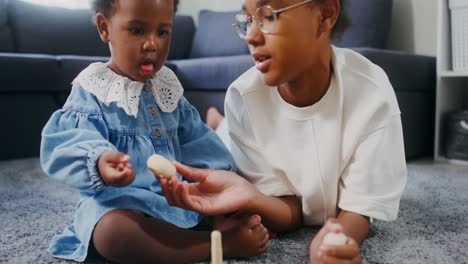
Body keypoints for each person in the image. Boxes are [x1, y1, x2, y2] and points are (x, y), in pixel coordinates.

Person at [160, 0, 407, 263]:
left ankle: (217, 120)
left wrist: (335, 242)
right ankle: (218, 121)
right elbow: (286, 208)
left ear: (325, 14)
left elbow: (359, 210)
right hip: (235, 136)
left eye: (268, 16)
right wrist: (250, 196)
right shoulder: (244, 98)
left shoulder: (371, 94)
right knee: (220, 141)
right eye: (248, 20)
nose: (252, 37)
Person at [40, 0, 270, 263]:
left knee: (234, 204)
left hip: (179, 202)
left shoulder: (167, 88)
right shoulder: (93, 89)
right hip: (123, 205)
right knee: (113, 233)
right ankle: (216, 244)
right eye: (137, 30)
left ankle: (216, 232)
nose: (153, 44)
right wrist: (100, 160)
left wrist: (218, 190)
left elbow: (199, 142)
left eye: (163, 32)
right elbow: (66, 143)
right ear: (105, 28)